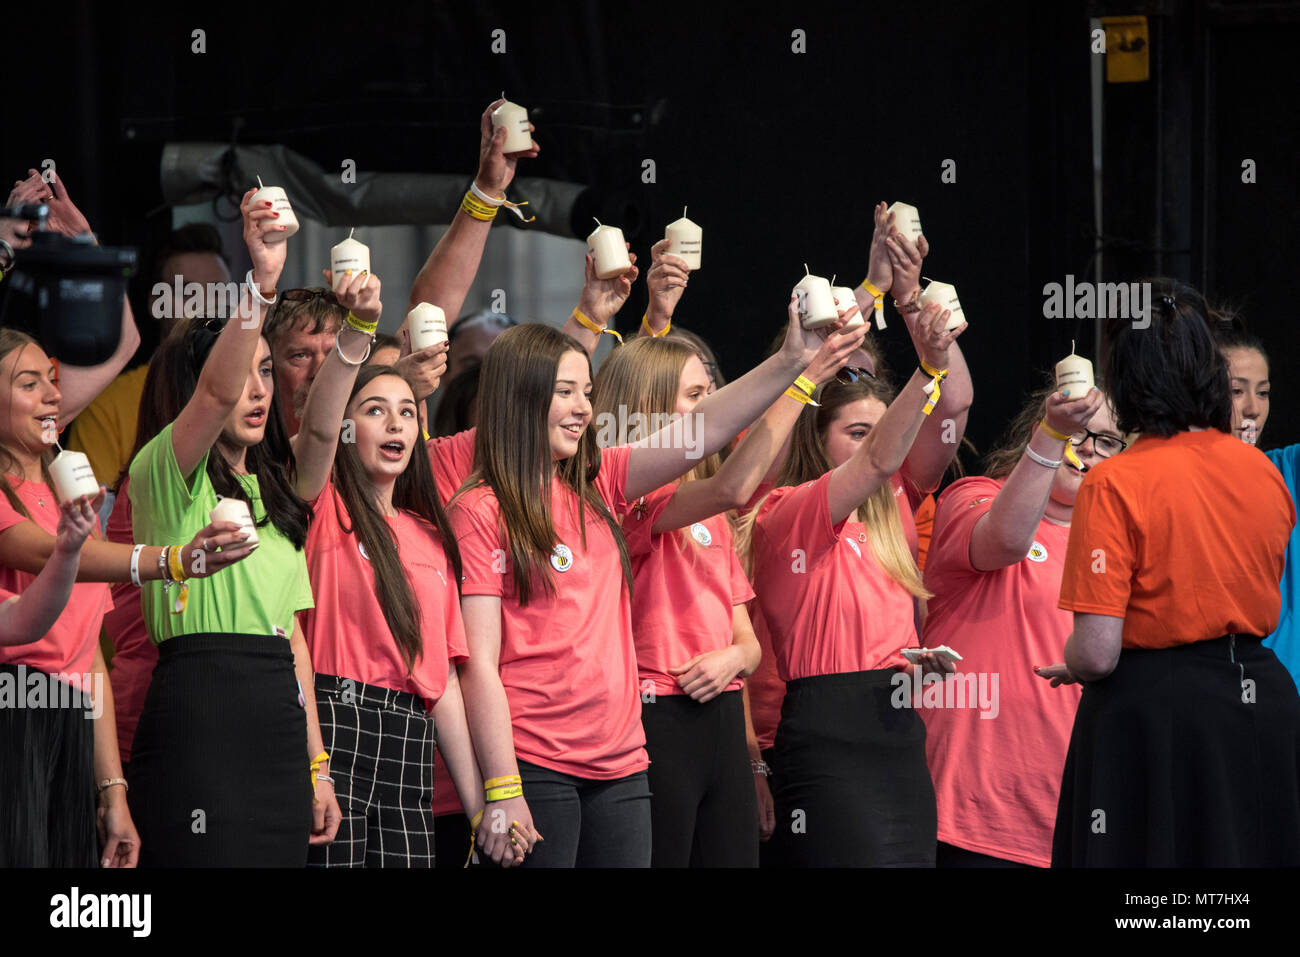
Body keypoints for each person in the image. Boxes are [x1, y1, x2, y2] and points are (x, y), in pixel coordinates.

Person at [446, 296, 845, 868]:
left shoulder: (602, 480)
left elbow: (700, 434)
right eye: (565, 391)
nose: (583, 407)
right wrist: (504, 787)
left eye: (586, 391)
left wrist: (791, 360)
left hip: (623, 767)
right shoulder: (480, 509)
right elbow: (477, 663)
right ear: (520, 395)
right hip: (535, 765)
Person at [1041, 281, 1300, 866]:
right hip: (1262, 704)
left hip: (1157, 718)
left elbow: (1099, 655)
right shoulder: (1264, 474)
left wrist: (1076, 658)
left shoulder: (1113, 481)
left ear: (1126, 378)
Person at [125, 188, 342, 866]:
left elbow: (294, 640)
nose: (256, 391)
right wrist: (263, 281)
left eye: (267, 374)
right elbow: (216, 392)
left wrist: (317, 764)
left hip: (276, 721)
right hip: (199, 709)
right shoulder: (163, 474)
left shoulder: (276, 492)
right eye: (243, 373)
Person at [0, 328, 251, 867]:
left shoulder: (65, 496)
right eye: (29, 384)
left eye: (53, 380)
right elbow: (49, 556)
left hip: (68, 720)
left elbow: (88, 654)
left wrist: (113, 791)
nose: (52, 396)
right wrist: (177, 559)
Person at [736, 295, 967, 867]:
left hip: (897, 731)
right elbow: (874, 465)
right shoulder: (784, 510)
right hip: (827, 736)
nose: (873, 444)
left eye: (879, 431)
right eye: (859, 430)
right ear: (818, 438)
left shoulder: (891, 511)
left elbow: (954, 411)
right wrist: (928, 368)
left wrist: (915, 662)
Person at [289, 267, 485, 867]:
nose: (397, 422)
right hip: (330, 726)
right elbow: (318, 427)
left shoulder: (430, 534)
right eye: (375, 410)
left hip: (408, 739)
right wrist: (362, 328)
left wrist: (484, 810)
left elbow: (444, 684)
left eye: (407, 411)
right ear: (347, 428)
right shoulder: (318, 505)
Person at [921, 378, 1120, 867]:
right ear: (1040, 430)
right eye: (1076, 433)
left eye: (1109, 442)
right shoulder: (972, 495)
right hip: (966, 817)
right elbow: (1007, 541)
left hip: (1072, 813)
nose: (1089, 451)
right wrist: (1053, 436)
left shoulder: (1119, 543)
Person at [67, 223, 231, 488]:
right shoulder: (108, 406)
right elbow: (96, 521)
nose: (205, 305)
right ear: (157, 302)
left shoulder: (256, 392)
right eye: (188, 292)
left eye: (217, 292)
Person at [1212, 318, 1299, 691]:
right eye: (1236, 391)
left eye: (1262, 393)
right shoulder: (1166, 484)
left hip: (1285, 695)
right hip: (1213, 695)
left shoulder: (1287, 471)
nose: (1252, 409)